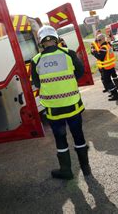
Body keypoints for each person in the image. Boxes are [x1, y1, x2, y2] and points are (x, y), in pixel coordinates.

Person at [31, 25, 91, 179]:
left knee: (60, 138)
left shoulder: (36, 60)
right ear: (56, 38)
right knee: (78, 136)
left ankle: (66, 171)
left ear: (41, 42)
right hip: (73, 105)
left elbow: (37, 84)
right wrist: (69, 81)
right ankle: (86, 169)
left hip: (53, 109)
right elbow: (80, 71)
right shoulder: (68, 53)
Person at [91, 33, 118, 101]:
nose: (98, 41)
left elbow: (100, 57)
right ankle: (113, 93)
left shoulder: (104, 47)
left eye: (99, 40)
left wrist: (94, 52)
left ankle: (115, 95)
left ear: (103, 39)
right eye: (97, 40)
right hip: (110, 66)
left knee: (108, 82)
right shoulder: (107, 45)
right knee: (109, 81)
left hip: (107, 67)